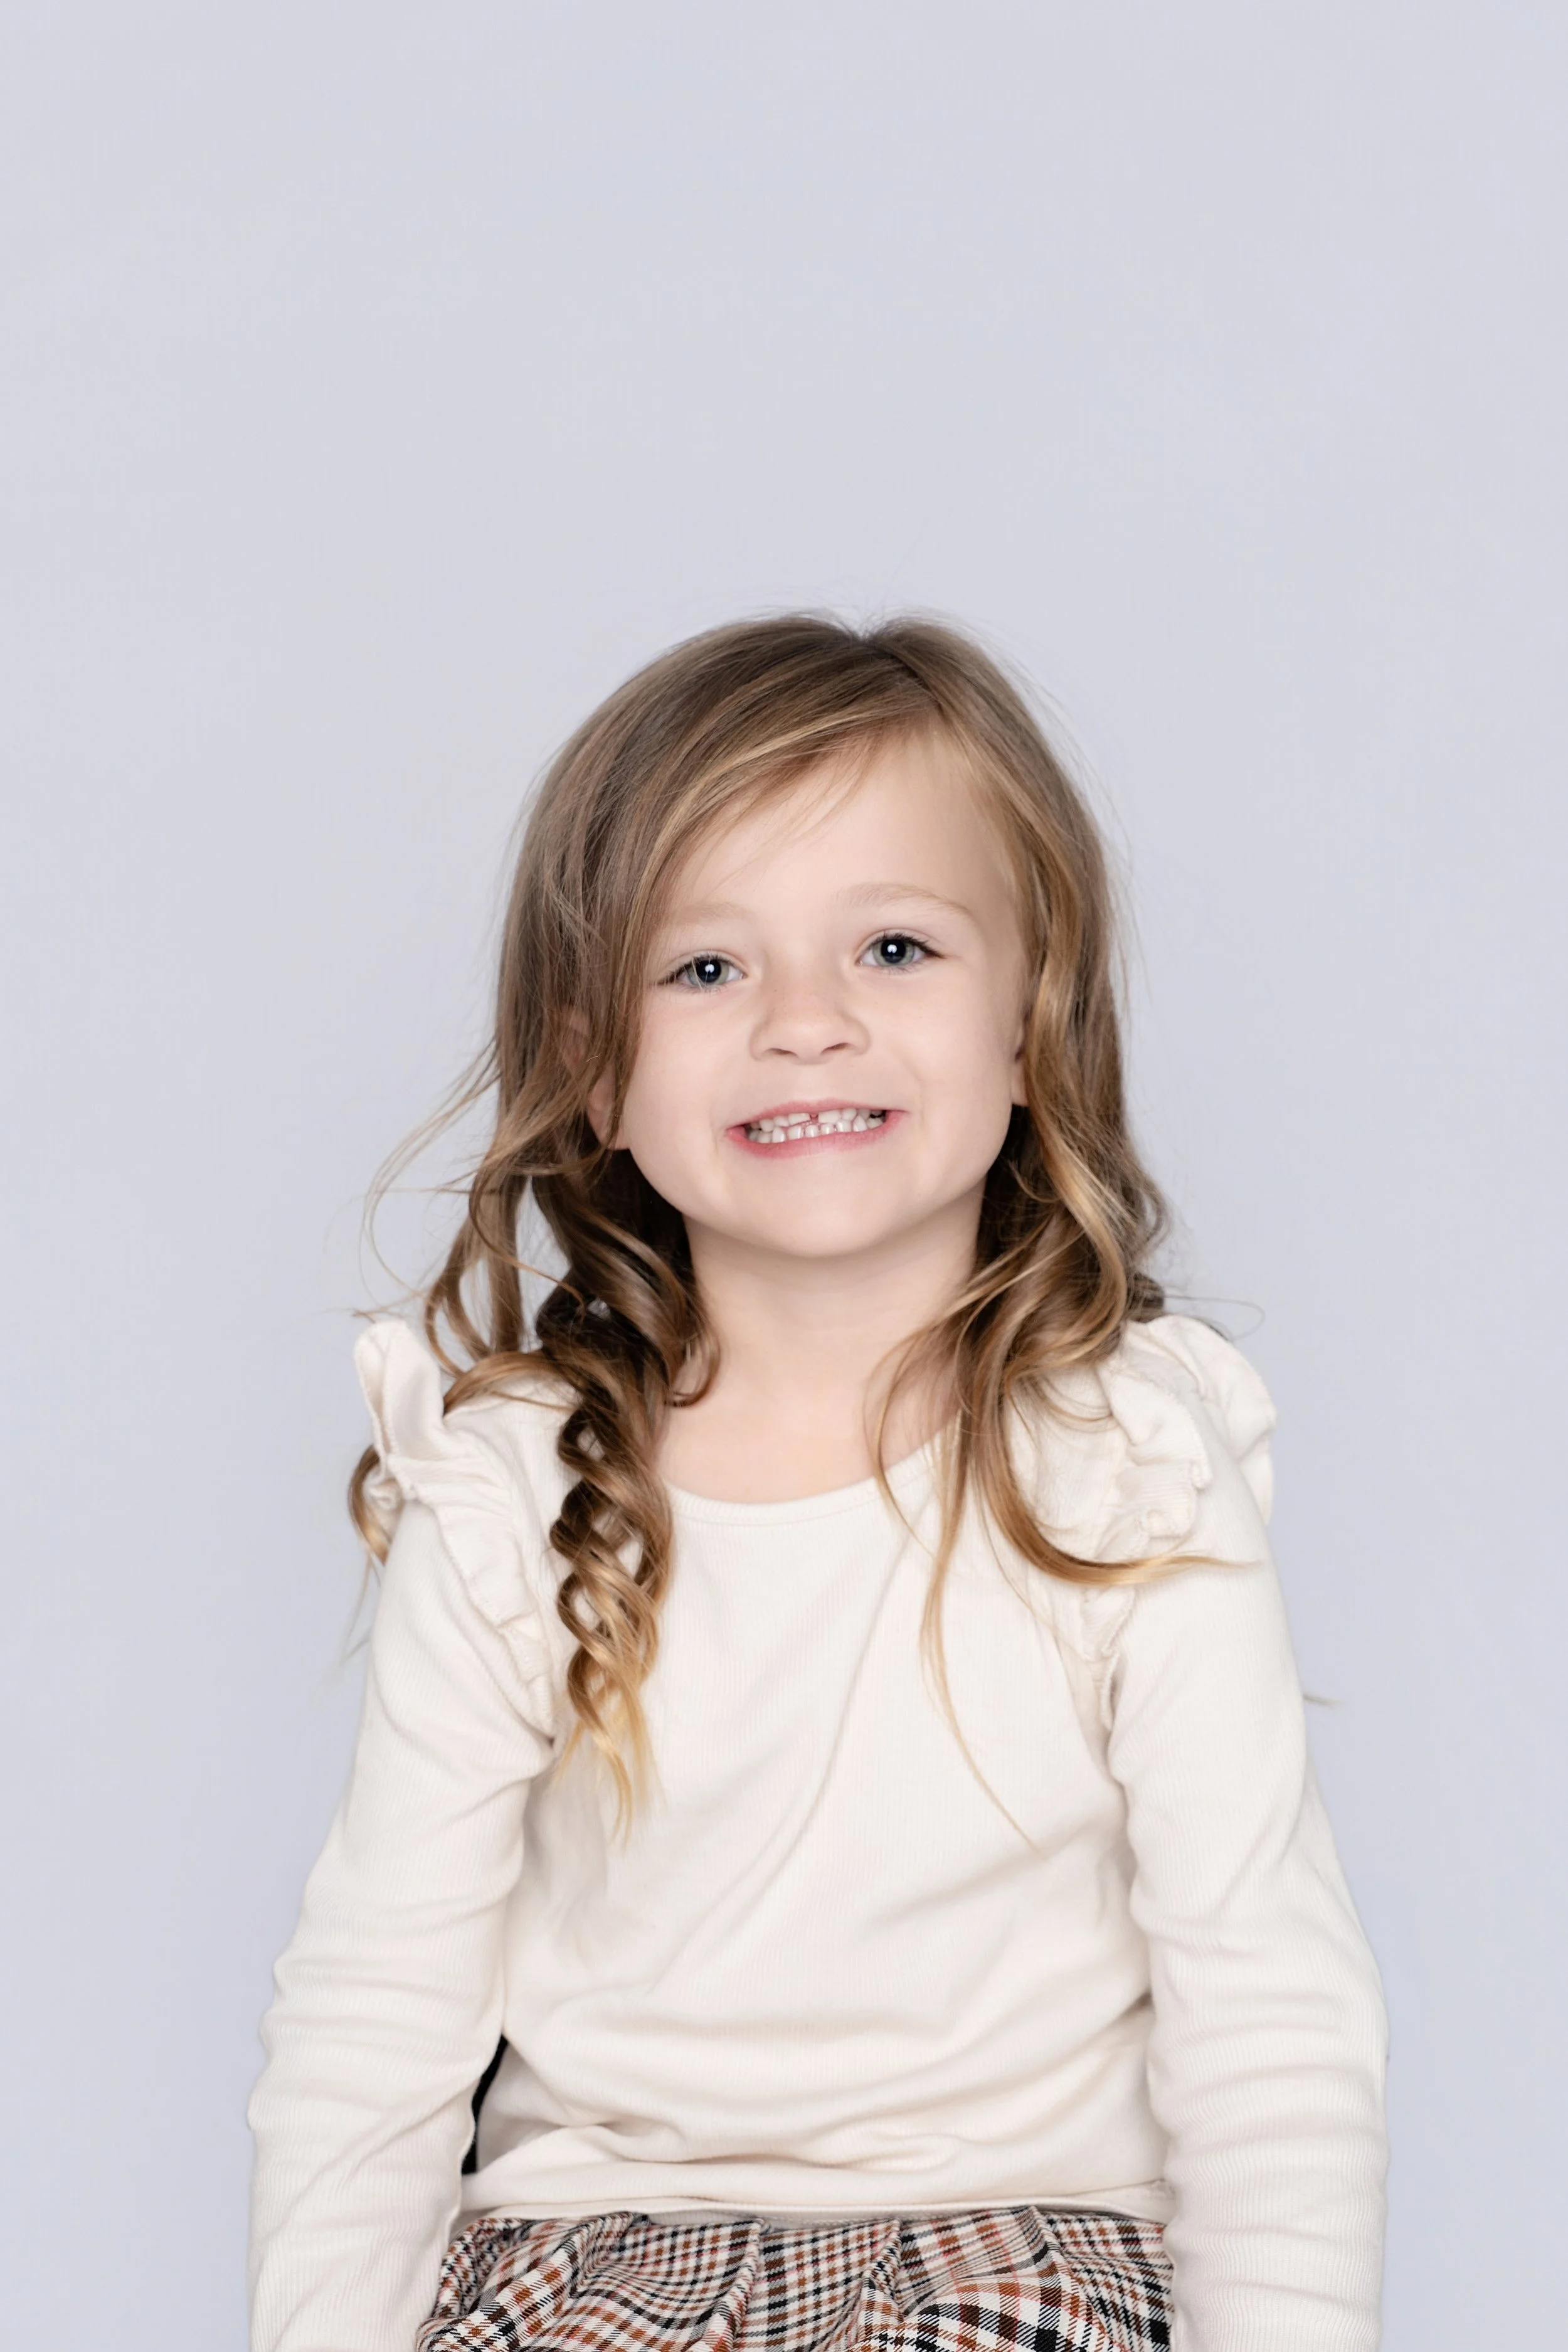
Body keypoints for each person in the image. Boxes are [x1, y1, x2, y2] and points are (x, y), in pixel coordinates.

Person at [248, 616, 1388, 2352]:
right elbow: (375, 2006)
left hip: (1021, 2250)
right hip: (596, 2260)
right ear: (590, 1065)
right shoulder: (513, 1485)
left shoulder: (1127, 1454)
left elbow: (1266, 2002)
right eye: (705, 969)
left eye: (892, 946)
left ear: (1029, 1020)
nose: (804, 1023)